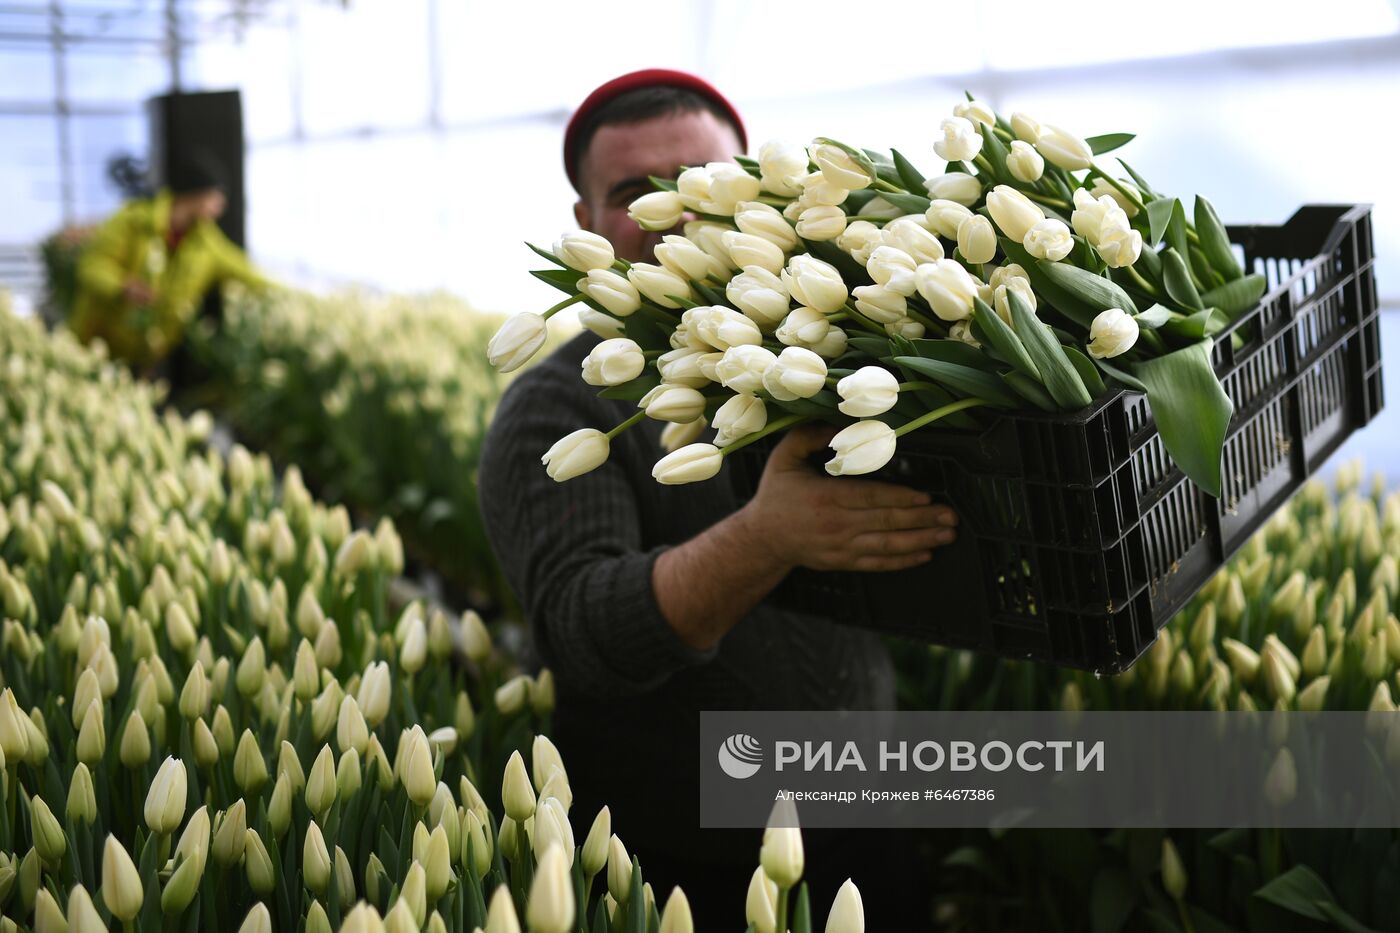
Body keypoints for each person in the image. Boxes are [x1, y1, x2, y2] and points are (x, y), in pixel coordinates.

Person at [478, 70, 959, 928]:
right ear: (586, 224)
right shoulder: (559, 403)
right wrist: (765, 537)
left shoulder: (834, 341)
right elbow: (582, 632)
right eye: (634, 194)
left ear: (758, 191)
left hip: (870, 814)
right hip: (684, 858)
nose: (677, 213)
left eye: (702, 182)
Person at [68, 153, 269, 373]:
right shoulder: (132, 221)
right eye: (215, 196)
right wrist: (123, 287)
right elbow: (92, 267)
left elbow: (246, 272)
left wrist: (300, 296)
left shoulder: (206, 243)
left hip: (144, 358)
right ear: (195, 194)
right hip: (95, 345)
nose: (221, 205)